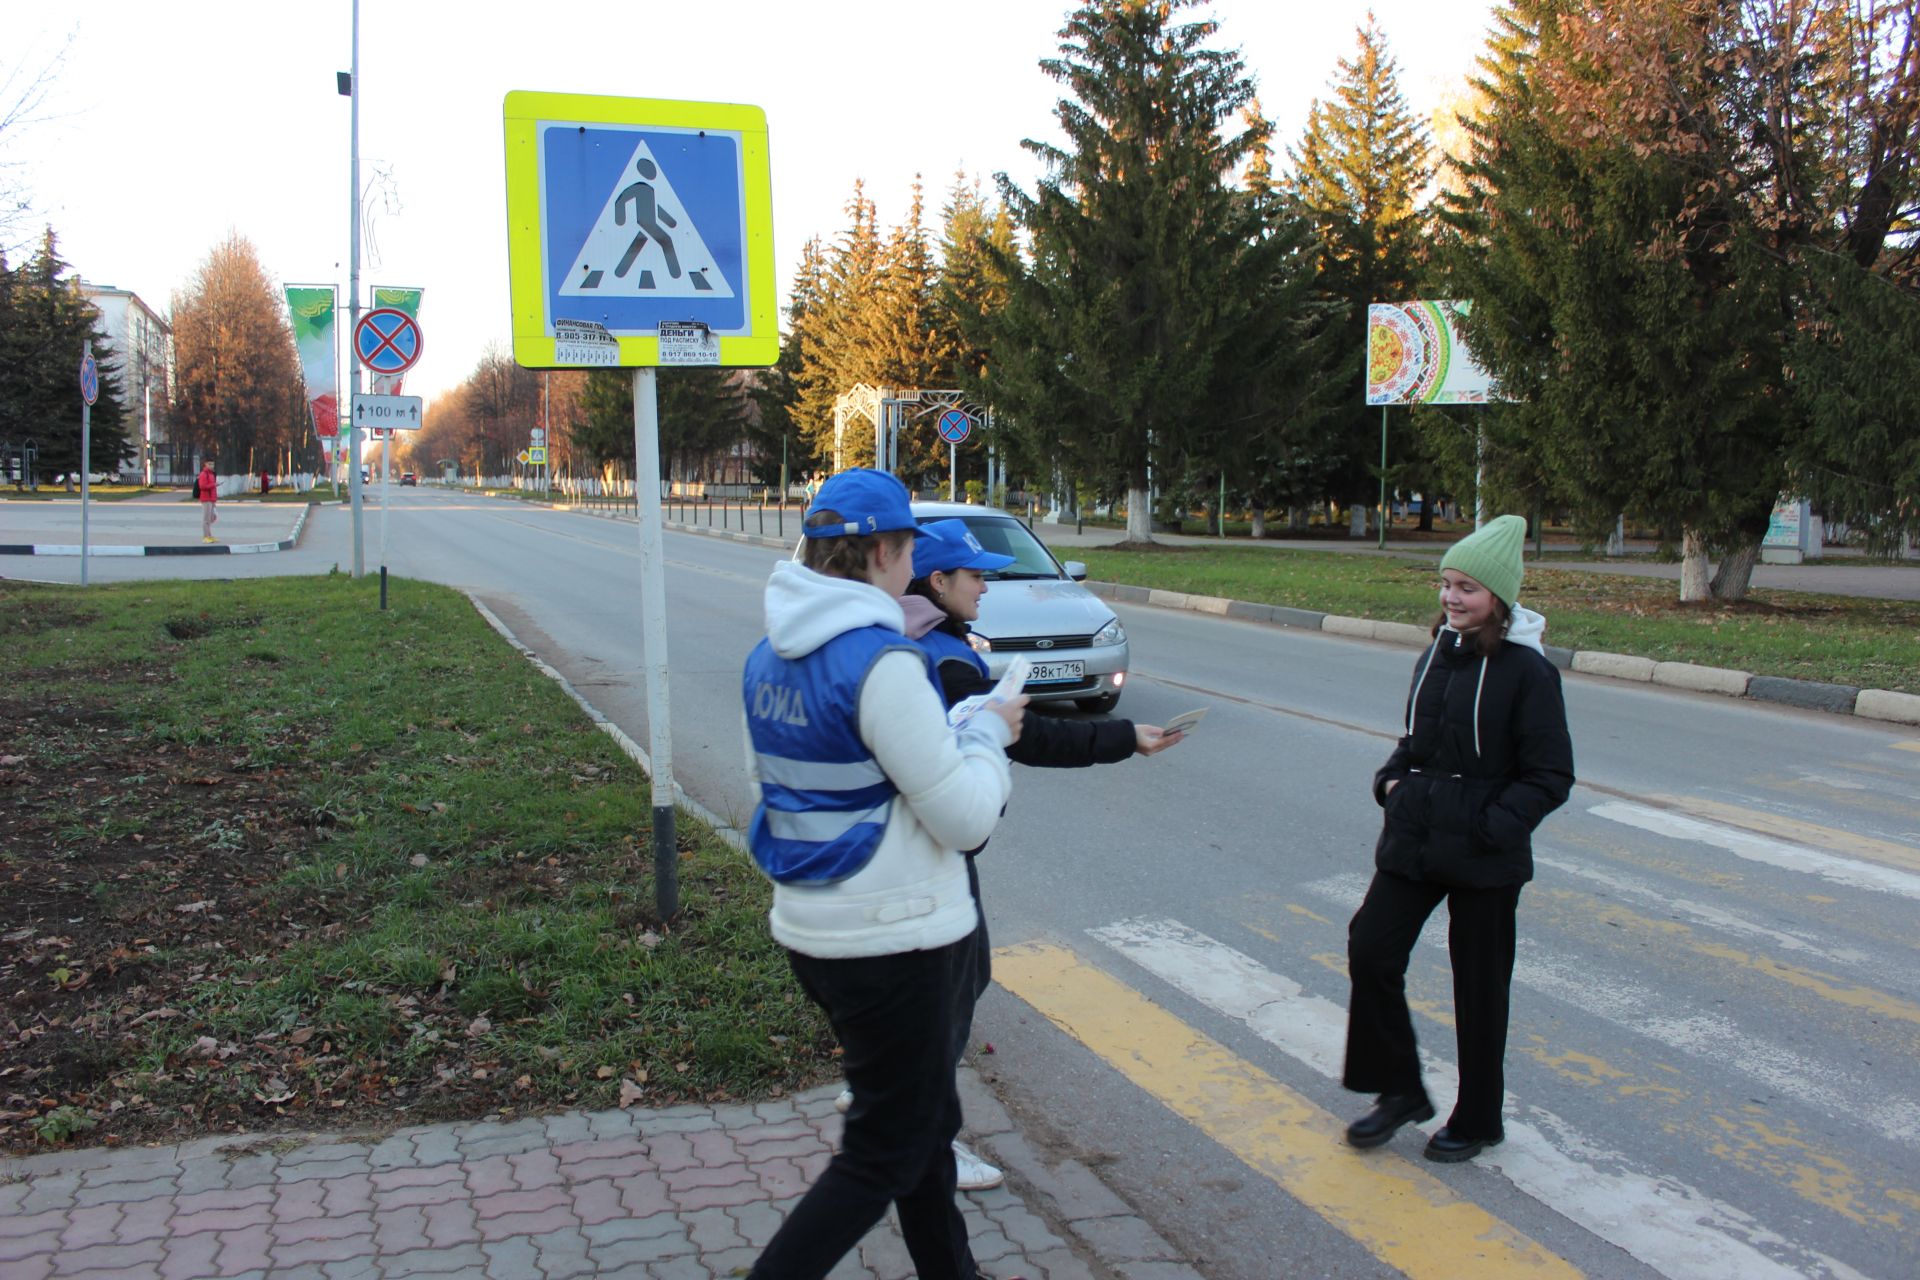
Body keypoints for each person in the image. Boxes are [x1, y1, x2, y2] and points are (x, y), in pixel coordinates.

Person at [741, 470, 1025, 1280]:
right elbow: (967, 818)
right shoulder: (882, 662)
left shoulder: (768, 654)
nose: (911, 564)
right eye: (906, 548)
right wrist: (987, 734)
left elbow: (789, 788)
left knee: (920, 1126)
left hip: (814, 928)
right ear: (881, 552)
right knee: (881, 1154)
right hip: (893, 941)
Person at [862, 517, 1184, 1190]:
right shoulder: (944, 658)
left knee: (936, 984)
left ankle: (880, 1096)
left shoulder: (897, 636)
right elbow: (1027, 739)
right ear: (938, 580)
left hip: (895, 838)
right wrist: (1127, 739)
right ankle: (928, 1145)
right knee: (950, 992)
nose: (988, 585)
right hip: (937, 843)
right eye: (976, 575)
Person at [1341, 514, 1574, 1163]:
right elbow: (1415, 742)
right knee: (1371, 949)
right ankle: (1399, 1089)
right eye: (1446, 583)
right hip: (1415, 838)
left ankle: (1478, 1118)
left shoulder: (1529, 673)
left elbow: (1551, 775)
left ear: (1498, 597)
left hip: (1483, 856)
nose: (1450, 597)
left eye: (1466, 587)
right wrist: (1391, 782)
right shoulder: (1436, 653)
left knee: (1479, 986)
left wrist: (1487, 826)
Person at [195, 461, 220, 543]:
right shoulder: (203, 474)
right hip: (206, 498)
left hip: (211, 498)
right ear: (205, 464)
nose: (211, 465)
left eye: (212, 464)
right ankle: (205, 537)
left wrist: (214, 499)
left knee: (210, 518)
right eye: (209, 464)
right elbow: (202, 486)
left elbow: (212, 487)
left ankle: (209, 536)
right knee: (206, 519)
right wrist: (214, 485)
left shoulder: (211, 474)